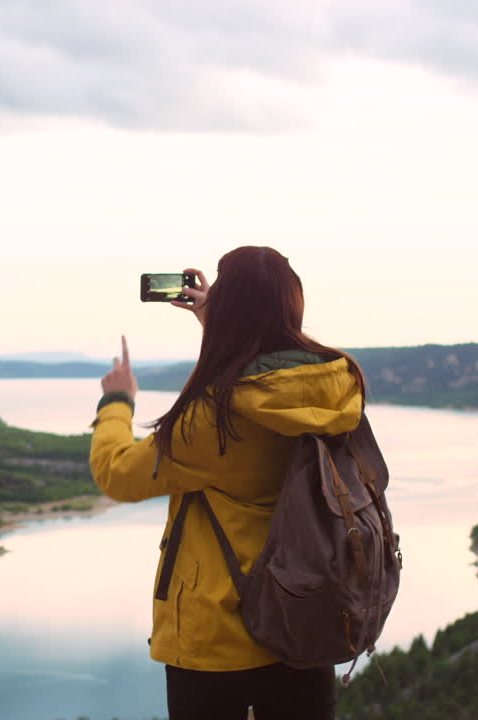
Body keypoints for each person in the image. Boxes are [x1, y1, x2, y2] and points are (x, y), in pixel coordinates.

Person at [90, 246, 367, 720]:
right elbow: (266, 381)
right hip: (308, 617)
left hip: (217, 636)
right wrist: (215, 327)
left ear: (231, 308)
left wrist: (116, 402)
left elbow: (117, 473)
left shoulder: (214, 419)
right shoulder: (338, 385)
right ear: (292, 303)